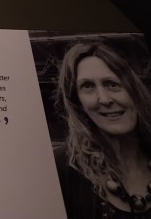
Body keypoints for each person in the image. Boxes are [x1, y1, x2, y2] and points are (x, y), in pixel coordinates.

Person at [54, 39, 151, 218]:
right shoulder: (59, 170)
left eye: (112, 84)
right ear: (78, 103)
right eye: (88, 86)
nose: (104, 99)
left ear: (135, 89)